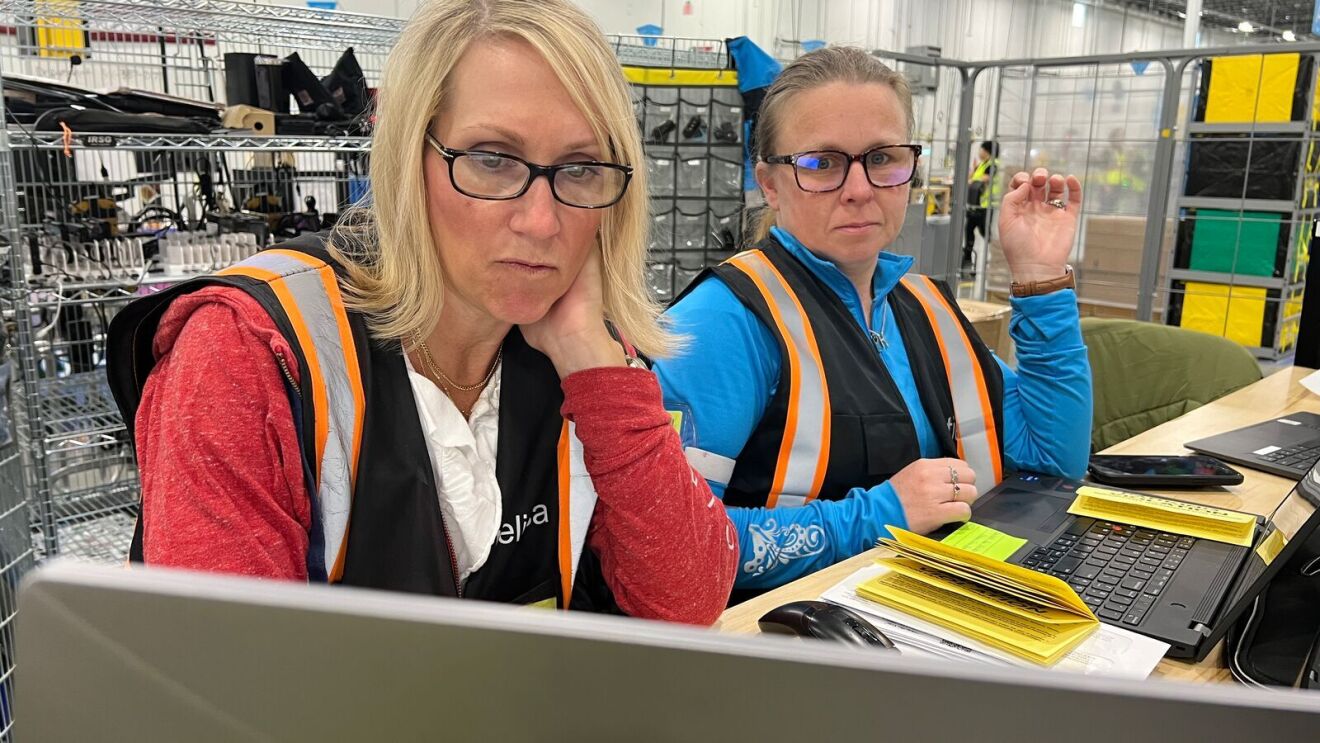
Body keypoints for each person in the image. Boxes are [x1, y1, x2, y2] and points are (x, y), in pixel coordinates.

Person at [106, 0, 737, 623]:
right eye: (492, 159)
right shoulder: (247, 352)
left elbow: (685, 600)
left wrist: (595, 367)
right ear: (411, 159)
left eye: (580, 169)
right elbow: (221, 692)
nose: (542, 221)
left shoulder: (578, 352)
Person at [653, 47, 1092, 596]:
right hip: (781, 646)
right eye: (822, 163)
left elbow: (1053, 463)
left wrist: (1041, 280)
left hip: (925, 617)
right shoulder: (723, 324)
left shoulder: (927, 307)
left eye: (882, 158)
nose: (859, 189)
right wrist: (883, 513)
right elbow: (672, 552)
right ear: (769, 183)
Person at [964, 140, 999, 270]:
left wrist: (971, 179)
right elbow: (971, 177)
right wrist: (973, 171)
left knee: (985, 233)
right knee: (969, 231)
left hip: (985, 206)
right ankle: (967, 259)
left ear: (987, 151)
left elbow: (984, 179)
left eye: (981, 149)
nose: (979, 152)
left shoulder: (993, 165)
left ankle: (995, 257)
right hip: (975, 204)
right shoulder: (983, 164)